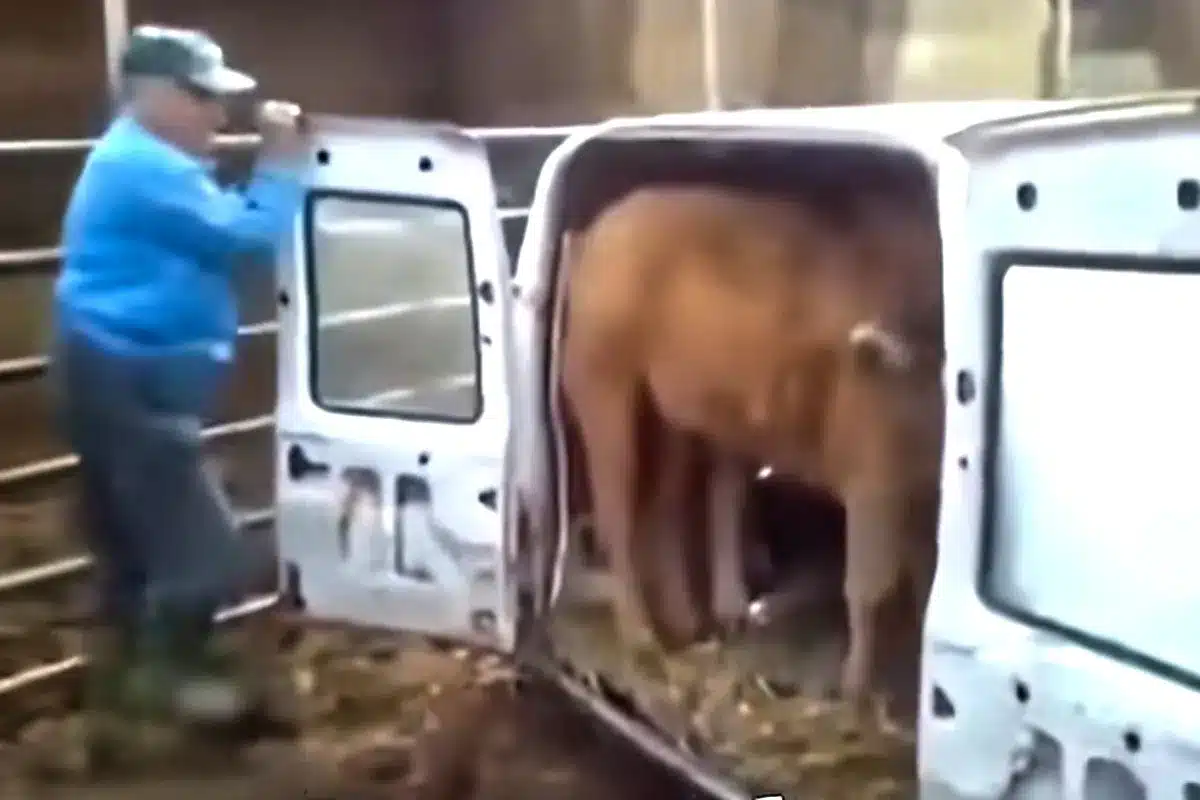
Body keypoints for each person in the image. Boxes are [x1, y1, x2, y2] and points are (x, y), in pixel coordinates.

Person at [51, 25, 306, 736]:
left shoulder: (146, 160)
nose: (217, 116)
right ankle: (167, 688)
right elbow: (245, 237)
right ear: (151, 95)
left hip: (109, 368)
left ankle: (124, 697)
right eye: (201, 98)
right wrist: (282, 164)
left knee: (133, 550)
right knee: (207, 556)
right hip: (124, 378)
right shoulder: (144, 168)